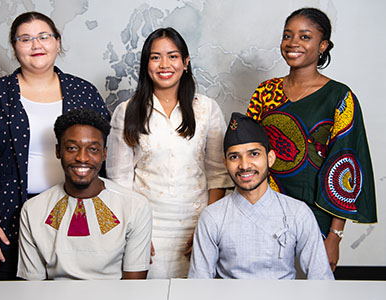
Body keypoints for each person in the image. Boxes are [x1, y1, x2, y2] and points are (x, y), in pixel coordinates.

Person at [0, 11, 110, 280]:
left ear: (57, 42)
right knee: (6, 291)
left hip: (75, 209)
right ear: (14, 47)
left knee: (75, 289)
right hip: (6, 215)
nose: (36, 45)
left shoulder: (83, 92)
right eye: (25, 39)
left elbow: (106, 158)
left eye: (43, 36)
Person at [246, 7, 377, 271]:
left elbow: (346, 170)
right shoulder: (265, 91)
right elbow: (247, 152)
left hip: (315, 223)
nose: (293, 43)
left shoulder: (339, 97)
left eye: (305, 37)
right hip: (262, 214)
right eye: (287, 35)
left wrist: (334, 237)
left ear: (323, 45)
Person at [106, 27, 232, 278]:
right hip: (146, 226)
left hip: (196, 224)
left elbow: (218, 175)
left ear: (185, 62)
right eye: (155, 57)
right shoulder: (127, 111)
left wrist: (207, 229)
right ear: (146, 64)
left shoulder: (207, 109)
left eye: (173, 56)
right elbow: (119, 181)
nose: (164, 64)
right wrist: (135, 231)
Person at [188, 113, 334, 280]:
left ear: (270, 158)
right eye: (234, 157)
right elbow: (198, 283)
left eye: (254, 154)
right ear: (225, 162)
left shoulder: (298, 213)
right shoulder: (212, 216)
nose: (244, 165)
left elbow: (321, 279)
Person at [17, 108, 151, 280]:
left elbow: (133, 287)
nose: (82, 157)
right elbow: (32, 288)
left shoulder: (135, 207)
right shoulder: (33, 210)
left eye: (93, 149)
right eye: (72, 148)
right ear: (58, 151)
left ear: (104, 154)